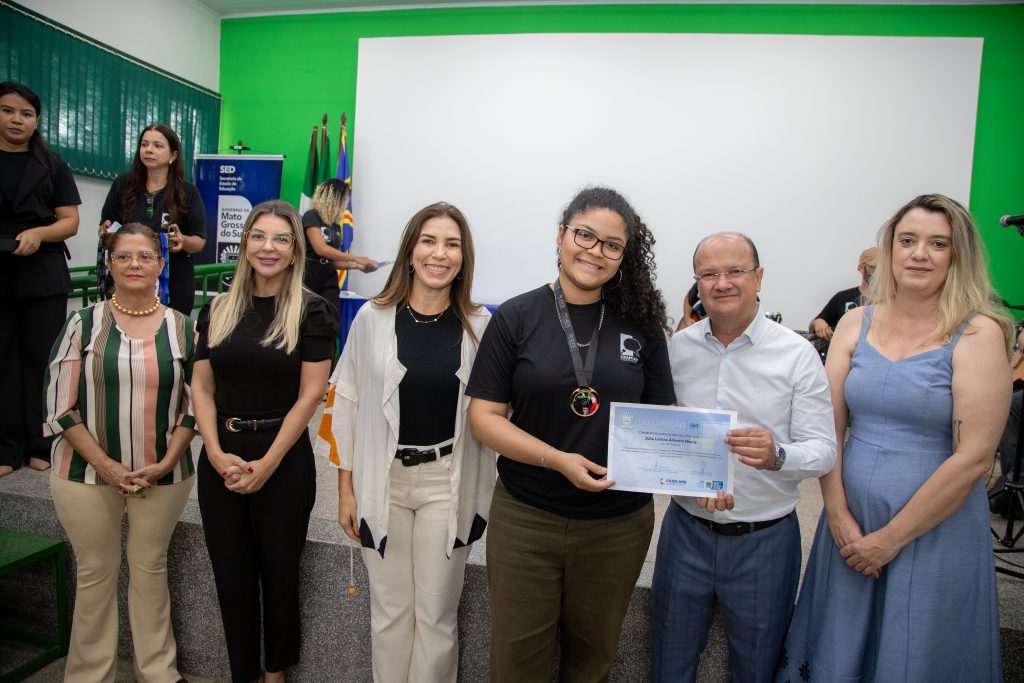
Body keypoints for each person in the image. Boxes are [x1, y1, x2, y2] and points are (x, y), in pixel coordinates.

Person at [777, 194, 1013, 682]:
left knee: (915, 651)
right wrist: (839, 518)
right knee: (839, 651)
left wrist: (888, 541)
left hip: (932, 531)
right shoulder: (854, 323)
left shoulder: (978, 334)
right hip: (851, 527)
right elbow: (827, 429)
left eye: (938, 243)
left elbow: (974, 459)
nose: (919, 253)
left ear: (958, 254)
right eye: (907, 240)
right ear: (890, 249)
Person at [467, 186, 676, 681]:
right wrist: (556, 459)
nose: (595, 251)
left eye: (611, 245)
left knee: (593, 661)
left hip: (617, 525)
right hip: (527, 516)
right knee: (517, 663)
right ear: (561, 235)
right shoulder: (516, 317)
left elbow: (663, 416)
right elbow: (485, 418)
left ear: (623, 256)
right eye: (585, 235)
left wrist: (706, 466)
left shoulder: (642, 326)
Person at [315, 201, 494, 682]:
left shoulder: (480, 326)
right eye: (429, 241)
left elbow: (499, 411)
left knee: (436, 619)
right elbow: (346, 405)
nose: (440, 254)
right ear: (410, 250)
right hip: (382, 480)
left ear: (464, 256)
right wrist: (345, 488)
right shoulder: (372, 319)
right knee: (390, 614)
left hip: (446, 483)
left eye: (452, 244)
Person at [650, 232, 836, 683]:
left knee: (756, 668)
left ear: (758, 277)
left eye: (735, 271)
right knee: (667, 663)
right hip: (685, 532)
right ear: (696, 284)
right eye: (709, 274)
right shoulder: (677, 351)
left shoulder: (797, 354)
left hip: (765, 542)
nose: (722, 283)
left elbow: (825, 451)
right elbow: (656, 428)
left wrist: (778, 455)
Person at [192, 200, 338, 683]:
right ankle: (243, 675)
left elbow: (311, 394)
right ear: (244, 243)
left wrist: (270, 463)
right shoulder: (216, 309)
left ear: (295, 248)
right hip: (222, 457)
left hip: (284, 460)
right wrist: (213, 452)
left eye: (280, 238)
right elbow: (203, 388)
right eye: (258, 236)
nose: (268, 247)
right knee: (231, 578)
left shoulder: (312, 311)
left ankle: (274, 675)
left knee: (278, 576)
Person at [43, 222, 196, 682]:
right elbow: (58, 407)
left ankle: (158, 673)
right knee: (95, 575)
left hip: (163, 475)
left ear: (160, 265)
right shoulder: (83, 322)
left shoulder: (183, 328)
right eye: (124, 256)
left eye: (145, 256)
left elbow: (197, 406)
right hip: (84, 476)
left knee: (150, 570)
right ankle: (89, 676)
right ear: (109, 264)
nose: (134, 264)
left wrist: (168, 461)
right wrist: (106, 465)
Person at [0, 81, 81, 477]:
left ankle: (40, 442)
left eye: (27, 113)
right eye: (8, 110)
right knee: (2, 359)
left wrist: (38, 233)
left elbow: (70, 221)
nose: (17, 119)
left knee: (42, 360)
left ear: (36, 121)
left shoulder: (53, 164)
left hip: (41, 270)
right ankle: (4, 448)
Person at [99, 123, 206, 315]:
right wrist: (106, 232)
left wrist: (182, 242)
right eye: (144, 144)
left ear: (173, 156)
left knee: (170, 337)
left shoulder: (188, 192)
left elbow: (198, 241)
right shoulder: (123, 185)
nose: (149, 150)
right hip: (127, 276)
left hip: (174, 280)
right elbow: (106, 226)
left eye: (157, 145)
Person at [301, 178, 377, 322]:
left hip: (328, 275)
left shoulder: (335, 226)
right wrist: (356, 258)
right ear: (334, 198)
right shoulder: (311, 216)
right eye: (345, 199)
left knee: (330, 318)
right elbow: (321, 249)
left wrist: (359, 266)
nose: (346, 204)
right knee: (306, 317)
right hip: (308, 274)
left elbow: (334, 261)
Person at [808, 246, 878, 340]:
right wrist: (818, 322)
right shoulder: (843, 297)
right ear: (861, 268)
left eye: (884, 268)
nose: (879, 272)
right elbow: (813, 325)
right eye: (874, 267)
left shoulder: (894, 299)